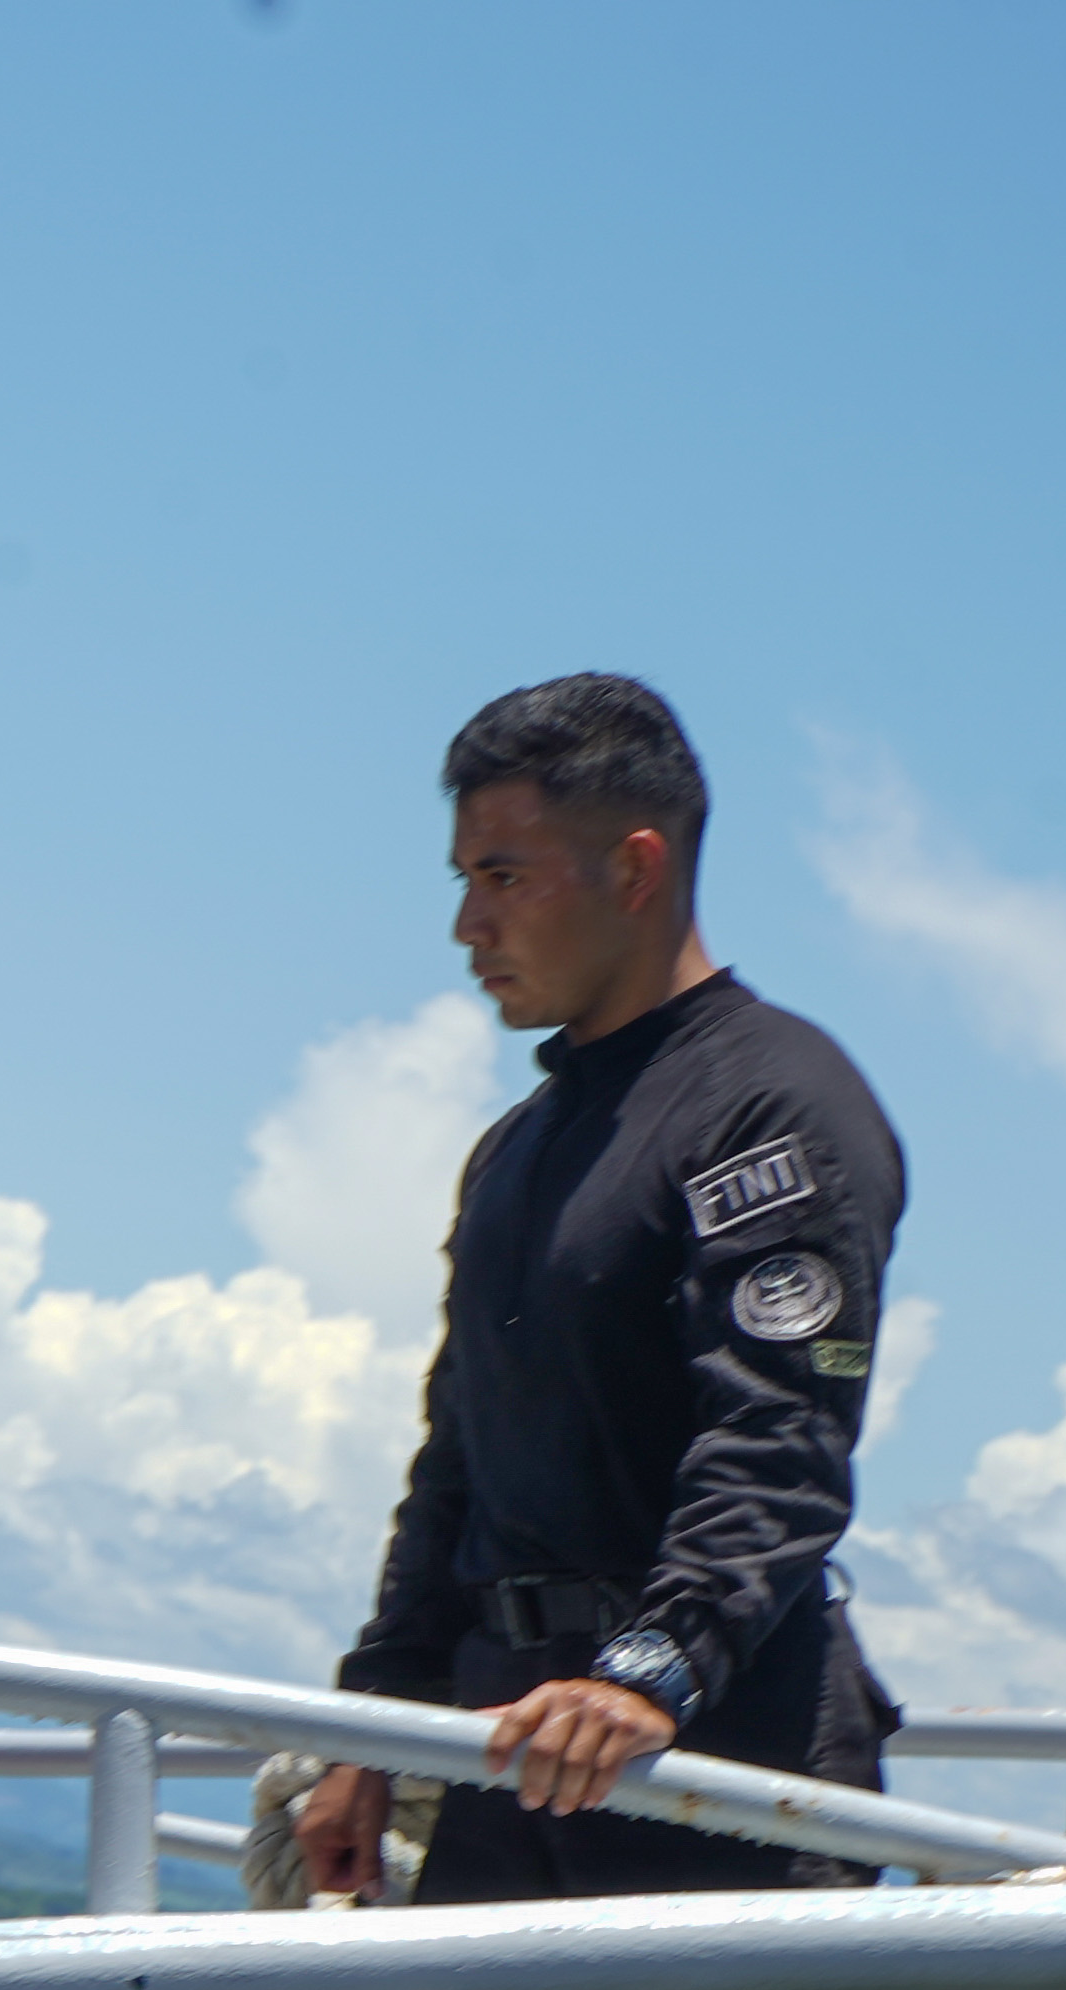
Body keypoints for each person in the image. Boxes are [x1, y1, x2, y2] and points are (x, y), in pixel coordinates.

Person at [294, 675, 907, 1908]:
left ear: (633, 868)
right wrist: (375, 1723)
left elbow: (777, 1439)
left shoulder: (769, 1107)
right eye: (462, 879)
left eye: (502, 876)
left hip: (707, 1763)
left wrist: (650, 1670)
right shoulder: (514, 1150)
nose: (467, 924)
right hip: (505, 1756)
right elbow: (456, 1467)